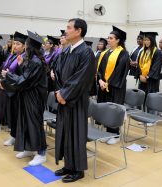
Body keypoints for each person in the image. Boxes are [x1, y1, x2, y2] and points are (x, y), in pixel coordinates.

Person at [54, 18, 95, 183]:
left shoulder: (86, 52)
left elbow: (81, 79)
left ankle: (78, 169)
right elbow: (57, 72)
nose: (66, 31)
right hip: (64, 98)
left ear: (78, 31)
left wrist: (65, 95)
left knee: (76, 133)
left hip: (76, 101)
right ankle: (68, 165)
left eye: (69, 28)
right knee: (65, 133)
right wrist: (59, 92)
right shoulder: (67, 50)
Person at [0, 30, 48, 166]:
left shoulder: (36, 62)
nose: (24, 47)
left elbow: (24, 80)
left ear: (30, 47)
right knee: (25, 122)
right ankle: (29, 148)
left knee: (34, 124)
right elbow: (26, 76)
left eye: (26, 45)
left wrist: (7, 75)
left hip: (34, 98)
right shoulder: (30, 59)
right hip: (26, 95)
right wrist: (21, 65)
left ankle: (41, 153)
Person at [96, 26, 130, 145]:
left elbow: (120, 71)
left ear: (117, 40)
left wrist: (108, 82)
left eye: (111, 38)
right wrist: (100, 80)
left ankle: (115, 134)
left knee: (113, 109)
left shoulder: (123, 54)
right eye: (108, 38)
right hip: (103, 86)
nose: (108, 40)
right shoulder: (105, 53)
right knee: (105, 110)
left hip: (115, 87)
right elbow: (99, 69)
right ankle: (107, 132)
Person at [0, 31, 27, 146]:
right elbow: (4, 69)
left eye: (18, 44)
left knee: (17, 116)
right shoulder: (12, 56)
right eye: (14, 43)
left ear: (24, 46)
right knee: (11, 115)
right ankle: (13, 135)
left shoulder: (25, 58)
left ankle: (18, 138)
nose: (15, 46)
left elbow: (22, 76)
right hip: (9, 90)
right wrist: (1, 80)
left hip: (18, 92)